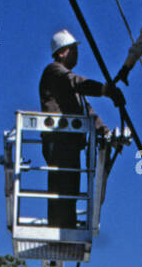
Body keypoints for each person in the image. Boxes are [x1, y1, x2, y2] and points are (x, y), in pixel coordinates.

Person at [38, 30, 124, 228]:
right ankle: (60, 226)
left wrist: (105, 132)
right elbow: (75, 82)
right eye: (73, 50)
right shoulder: (54, 72)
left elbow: (88, 112)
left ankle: (65, 224)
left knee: (71, 185)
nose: (77, 54)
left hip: (71, 142)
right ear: (62, 53)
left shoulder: (72, 90)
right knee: (62, 184)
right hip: (58, 140)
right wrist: (105, 90)